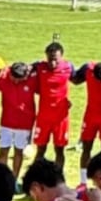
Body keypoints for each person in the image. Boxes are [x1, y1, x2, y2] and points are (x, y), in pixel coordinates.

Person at [31, 41, 73, 172]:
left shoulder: (68, 68)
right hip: (43, 117)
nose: (52, 63)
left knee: (59, 150)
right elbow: (23, 70)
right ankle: (35, 178)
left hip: (61, 118)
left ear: (62, 57)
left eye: (55, 59)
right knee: (40, 149)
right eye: (49, 59)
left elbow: (80, 78)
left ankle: (58, 179)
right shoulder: (39, 67)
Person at [0, 62, 36, 183]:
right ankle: (1, 180)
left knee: (18, 152)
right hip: (7, 122)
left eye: (19, 79)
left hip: (25, 123)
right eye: (14, 78)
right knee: (3, 151)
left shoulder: (32, 80)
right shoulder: (4, 78)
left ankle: (14, 180)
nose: (16, 81)